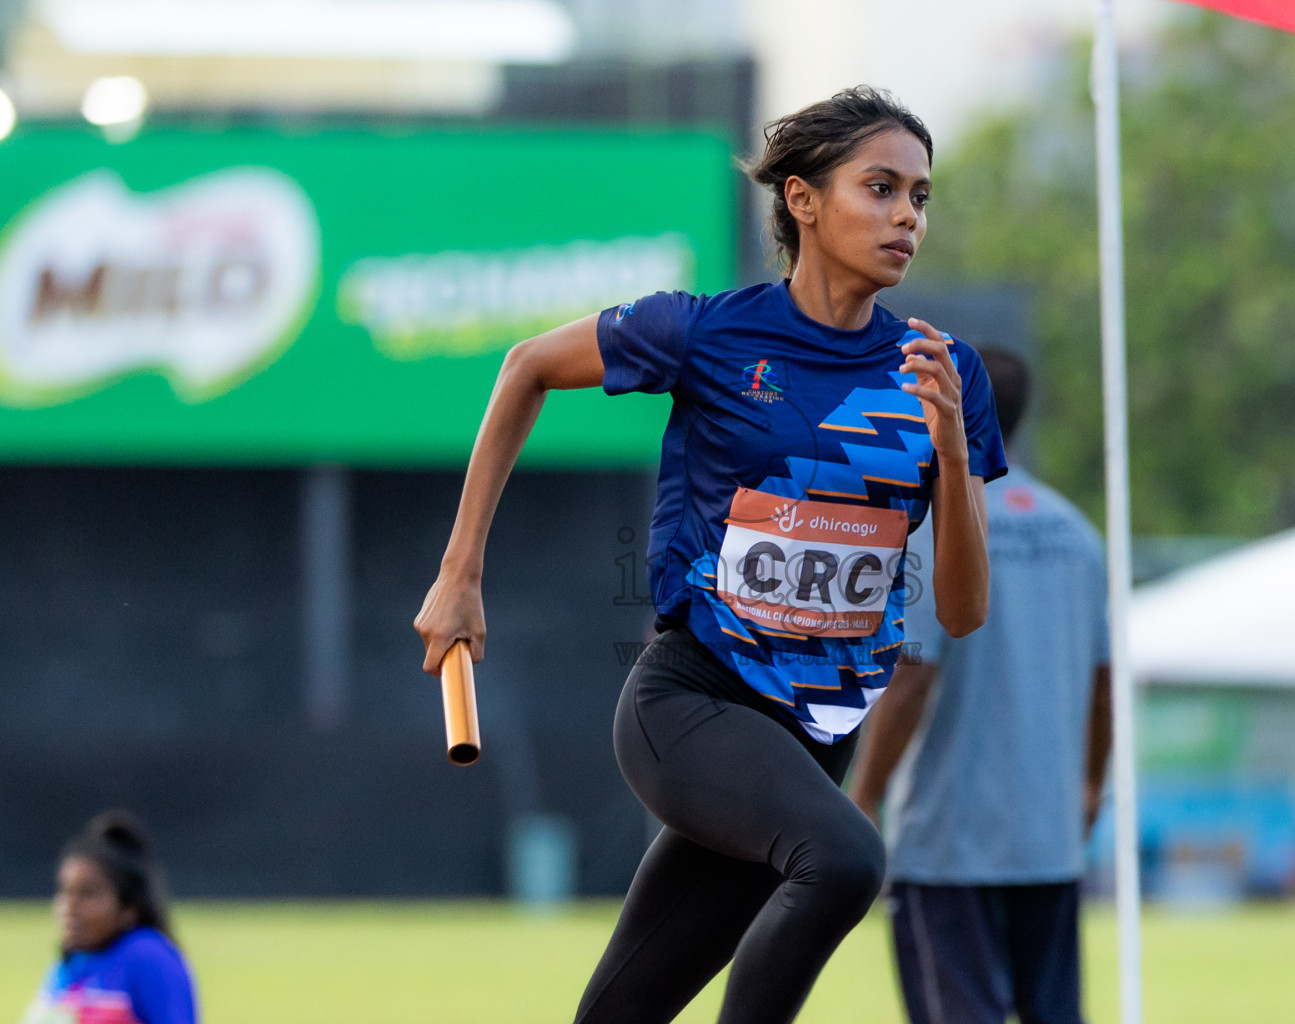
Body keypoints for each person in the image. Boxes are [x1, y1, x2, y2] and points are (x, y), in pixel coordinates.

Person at [414, 86, 1007, 1024]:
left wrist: (955, 451)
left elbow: (965, 612)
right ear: (803, 200)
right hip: (694, 704)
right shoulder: (707, 332)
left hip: (817, 737)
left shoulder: (944, 373)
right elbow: (527, 365)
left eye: (920, 197)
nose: (907, 217)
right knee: (846, 860)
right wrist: (460, 574)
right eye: (881, 188)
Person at [848, 347, 1113, 1024]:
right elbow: (1103, 679)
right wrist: (1089, 784)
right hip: (1048, 840)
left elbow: (913, 678)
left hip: (949, 841)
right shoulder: (1079, 535)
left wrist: (866, 795)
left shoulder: (939, 525)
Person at [21, 811, 197, 1024]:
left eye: (88, 894)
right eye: (65, 892)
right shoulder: (68, 965)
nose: (69, 906)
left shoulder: (147, 954)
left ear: (128, 909)